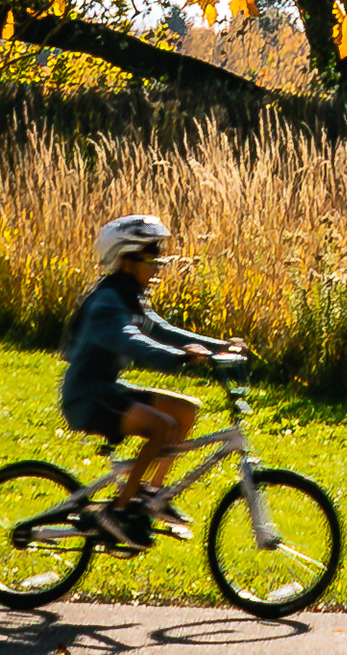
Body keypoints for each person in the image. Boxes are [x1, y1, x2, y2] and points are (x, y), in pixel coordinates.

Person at [57, 212, 240, 550]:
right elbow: (131, 340)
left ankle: (153, 496)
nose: (158, 265)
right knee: (161, 426)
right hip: (87, 397)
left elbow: (161, 329)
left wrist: (217, 346)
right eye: (151, 256)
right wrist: (177, 357)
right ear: (127, 260)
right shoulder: (107, 302)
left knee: (185, 411)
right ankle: (120, 511)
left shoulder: (128, 296)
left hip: (107, 390)